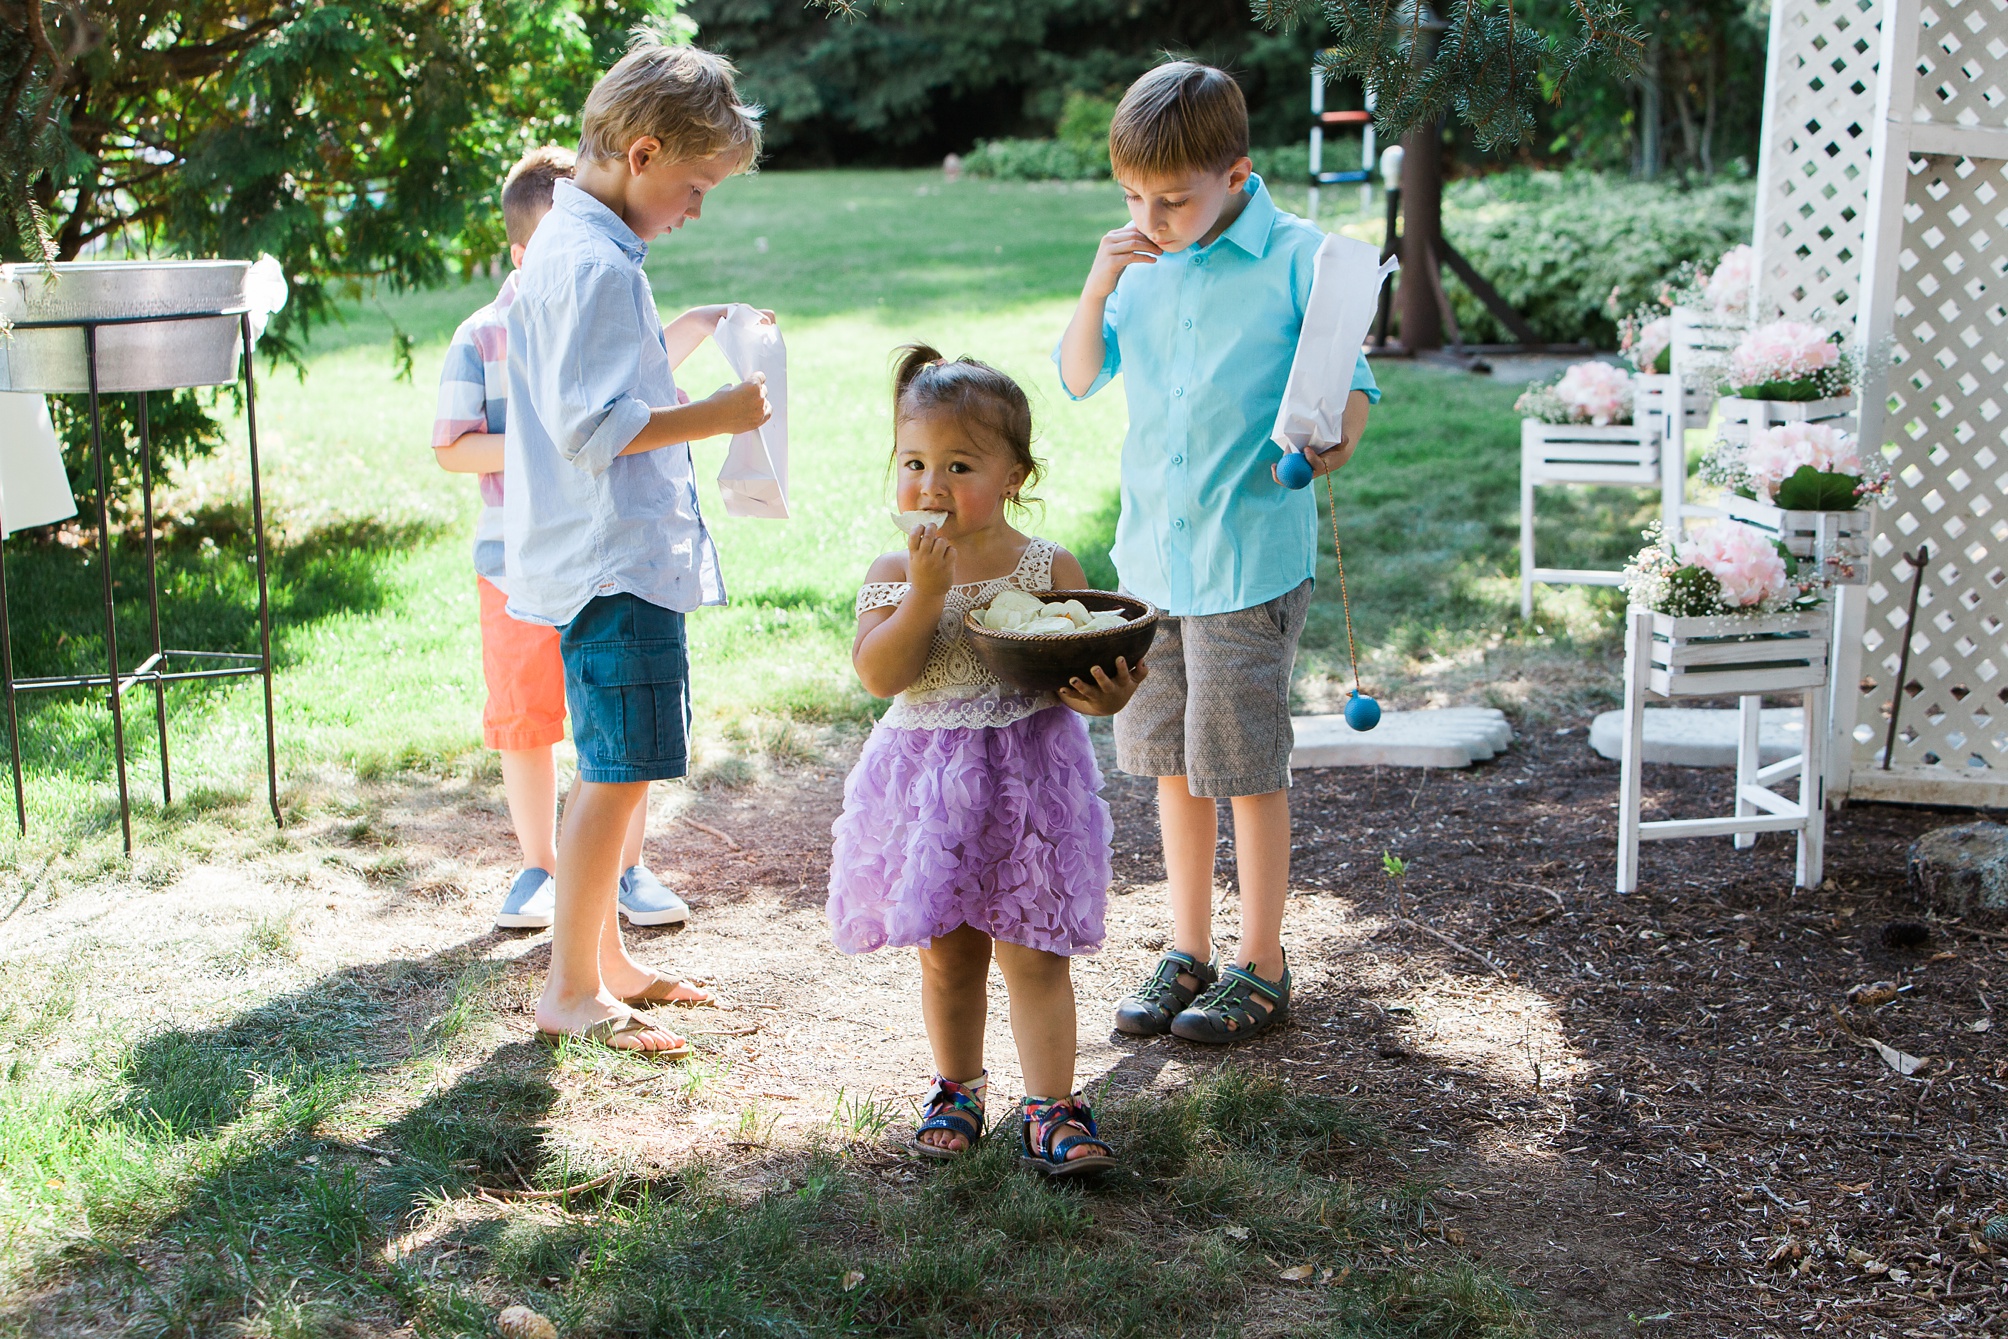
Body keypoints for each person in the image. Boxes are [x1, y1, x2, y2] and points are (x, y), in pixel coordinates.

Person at [1054, 61, 1380, 1046]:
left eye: (1171, 199)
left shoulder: (1298, 256)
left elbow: (1349, 386)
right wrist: (1099, 274)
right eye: (1131, 198)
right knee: (1170, 765)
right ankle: (1186, 947)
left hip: (1247, 560)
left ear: (1237, 174)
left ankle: (1262, 963)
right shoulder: (1136, 264)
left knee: (1242, 767)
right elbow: (1076, 377)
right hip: (1152, 560)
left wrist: (1335, 439)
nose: (1149, 216)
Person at [506, 39, 772, 1054]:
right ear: (646, 153)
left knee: (618, 765)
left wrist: (690, 348)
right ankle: (572, 989)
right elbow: (592, 427)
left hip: (621, 558)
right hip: (613, 564)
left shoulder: (594, 250)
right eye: (697, 186)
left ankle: (606, 960)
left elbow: (605, 380)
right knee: (615, 772)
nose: (699, 206)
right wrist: (716, 413)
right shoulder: (589, 262)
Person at [829, 345, 1145, 1176]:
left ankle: (1052, 1106)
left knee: (1035, 950)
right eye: (915, 462)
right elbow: (878, 675)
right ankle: (958, 1086)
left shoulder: (1049, 568)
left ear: (1014, 473)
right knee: (949, 950)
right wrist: (926, 596)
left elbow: (1077, 663)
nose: (931, 485)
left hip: (1029, 780)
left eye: (959, 464)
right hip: (931, 786)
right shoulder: (894, 573)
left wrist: (1103, 697)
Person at [433, 146, 691, 935]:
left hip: (597, 556)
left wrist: (696, 332)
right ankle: (539, 866)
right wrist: (541, 445)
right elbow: (451, 445)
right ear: (520, 250)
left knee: (611, 717)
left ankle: (625, 866)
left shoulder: (603, 302)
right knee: (528, 714)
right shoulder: (483, 335)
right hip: (512, 563)